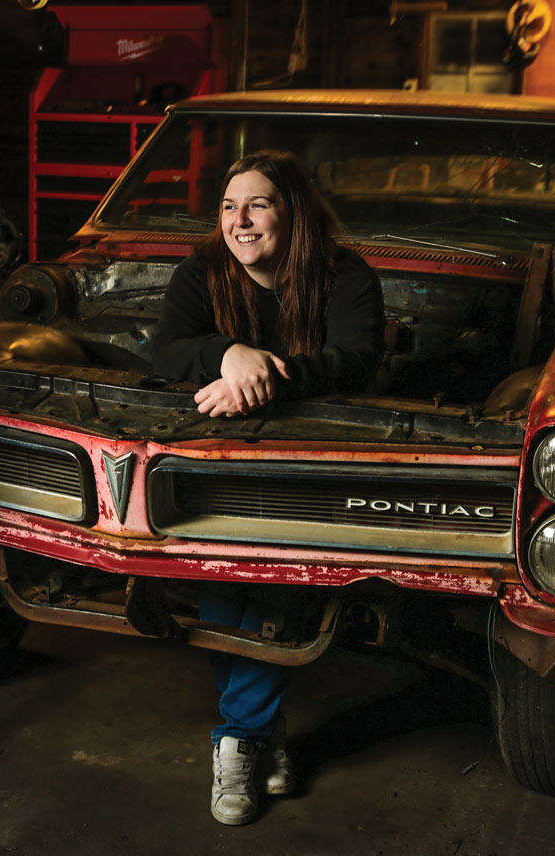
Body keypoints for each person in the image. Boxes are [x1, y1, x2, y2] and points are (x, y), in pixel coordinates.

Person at [151, 150, 386, 825]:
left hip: (310, 466)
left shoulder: (346, 277)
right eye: (229, 206)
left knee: (278, 585)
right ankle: (260, 735)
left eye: (258, 205)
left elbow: (354, 359)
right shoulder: (202, 272)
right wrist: (228, 353)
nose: (240, 220)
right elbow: (165, 349)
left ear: (294, 213)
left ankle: (237, 742)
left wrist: (265, 377)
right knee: (221, 586)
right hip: (221, 464)